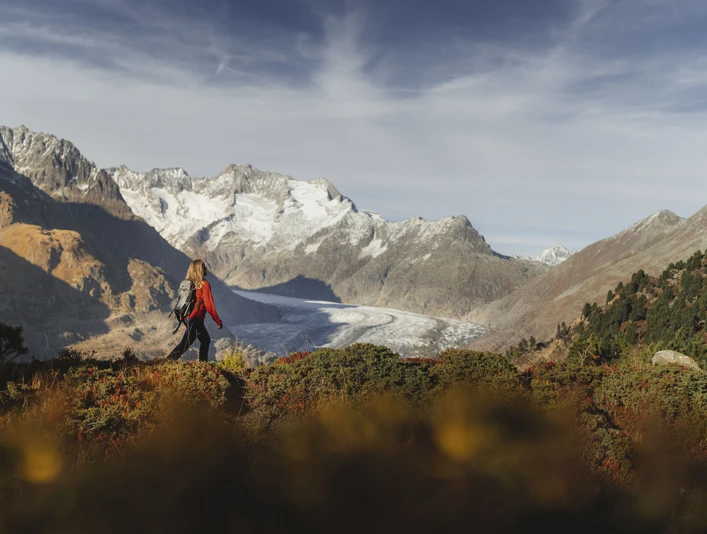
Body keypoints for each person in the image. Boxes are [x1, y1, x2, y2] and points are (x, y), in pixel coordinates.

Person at [167, 259, 223, 362]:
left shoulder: (188, 283)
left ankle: (203, 365)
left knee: (205, 340)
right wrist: (218, 321)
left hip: (187, 318)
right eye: (204, 267)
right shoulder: (204, 284)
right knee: (184, 344)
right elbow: (209, 305)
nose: (206, 269)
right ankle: (165, 363)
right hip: (195, 319)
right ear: (199, 270)